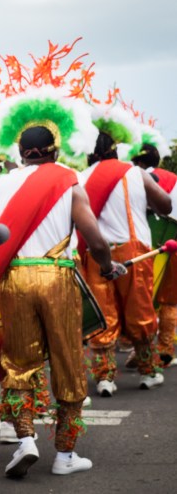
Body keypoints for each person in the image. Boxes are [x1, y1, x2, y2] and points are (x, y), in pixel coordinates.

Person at [0, 114, 118, 478]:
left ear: (21, 154)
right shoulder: (69, 180)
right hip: (57, 279)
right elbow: (95, 239)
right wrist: (107, 265)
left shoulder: (1, 185)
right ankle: (65, 455)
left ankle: (24, 441)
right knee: (68, 362)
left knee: (18, 363)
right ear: (54, 152)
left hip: (15, 279)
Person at [81, 130, 172, 394]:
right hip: (133, 252)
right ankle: (148, 371)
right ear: (115, 148)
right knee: (140, 311)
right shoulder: (135, 172)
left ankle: (105, 377)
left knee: (104, 315)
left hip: (97, 253)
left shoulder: (82, 177)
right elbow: (165, 206)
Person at [131, 139, 177, 366]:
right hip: (174, 246)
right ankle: (165, 349)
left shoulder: (134, 179)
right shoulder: (174, 179)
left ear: (136, 160)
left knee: (142, 298)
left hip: (145, 247)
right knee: (170, 301)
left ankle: (139, 352)